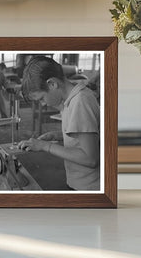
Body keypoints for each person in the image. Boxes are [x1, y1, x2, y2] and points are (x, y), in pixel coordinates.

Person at [18, 56, 100, 191]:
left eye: (42, 98)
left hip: (87, 187)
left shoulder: (80, 102)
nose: (43, 104)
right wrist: (57, 135)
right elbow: (86, 135)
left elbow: (90, 159)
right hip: (78, 180)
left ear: (52, 84)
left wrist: (46, 146)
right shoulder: (71, 100)